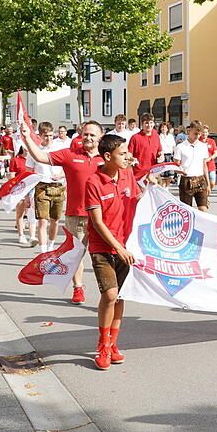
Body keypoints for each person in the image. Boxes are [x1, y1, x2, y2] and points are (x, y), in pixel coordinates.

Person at [22, 120, 105, 305]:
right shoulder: (70, 154)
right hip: (76, 215)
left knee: (102, 257)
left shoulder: (107, 158)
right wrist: (27, 137)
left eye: (92, 134)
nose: (88, 137)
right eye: (85, 134)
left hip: (102, 216)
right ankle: (78, 288)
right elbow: (40, 157)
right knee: (76, 255)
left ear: (101, 137)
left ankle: (107, 292)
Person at [84, 134, 149, 370]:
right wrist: (118, 248)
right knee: (110, 295)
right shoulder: (93, 181)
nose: (128, 157)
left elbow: (136, 200)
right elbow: (98, 222)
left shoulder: (127, 175)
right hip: (103, 247)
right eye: (123, 153)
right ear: (108, 156)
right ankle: (102, 345)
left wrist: (152, 193)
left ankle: (113, 344)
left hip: (126, 246)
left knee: (120, 296)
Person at [27, 122, 67, 252]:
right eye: (46, 136)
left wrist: (61, 175)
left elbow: (67, 167)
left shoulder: (60, 148)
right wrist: (28, 195)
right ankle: (43, 251)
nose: (49, 138)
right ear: (40, 135)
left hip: (58, 186)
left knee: (55, 220)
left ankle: (51, 246)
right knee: (42, 221)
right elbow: (28, 173)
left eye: (51, 135)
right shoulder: (35, 150)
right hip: (41, 187)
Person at [174, 121, 211, 211]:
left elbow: (204, 165)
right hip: (186, 180)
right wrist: (179, 171)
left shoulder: (203, 146)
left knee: (203, 209)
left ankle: (201, 225)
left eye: (199, 134)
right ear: (189, 131)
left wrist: (208, 184)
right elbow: (175, 165)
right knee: (187, 210)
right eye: (195, 134)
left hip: (200, 179)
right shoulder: (180, 147)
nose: (197, 136)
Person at [128, 113, 162, 181]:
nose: (149, 125)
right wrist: (132, 159)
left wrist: (161, 156)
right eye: (146, 123)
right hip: (139, 174)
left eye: (151, 122)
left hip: (154, 173)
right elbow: (129, 154)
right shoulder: (135, 137)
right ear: (142, 124)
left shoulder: (156, 136)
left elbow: (160, 151)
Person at [200, 126, 217, 192]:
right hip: (201, 166)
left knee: (212, 183)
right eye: (203, 132)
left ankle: (207, 193)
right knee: (204, 183)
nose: (204, 134)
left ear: (208, 133)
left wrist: (210, 158)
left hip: (211, 165)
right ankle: (205, 196)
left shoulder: (211, 141)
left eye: (206, 132)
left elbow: (215, 153)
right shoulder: (198, 141)